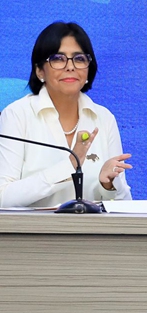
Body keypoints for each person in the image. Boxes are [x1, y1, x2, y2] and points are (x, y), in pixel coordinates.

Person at [0, 22, 132, 208]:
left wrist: (108, 185)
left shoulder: (103, 118)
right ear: (39, 70)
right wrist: (68, 167)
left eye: (79, 59)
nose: (70, 66)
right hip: (34, 227)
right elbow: (3, 196)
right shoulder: (17, 115)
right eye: (58, 58)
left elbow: (124, 205)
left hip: (91, 227)